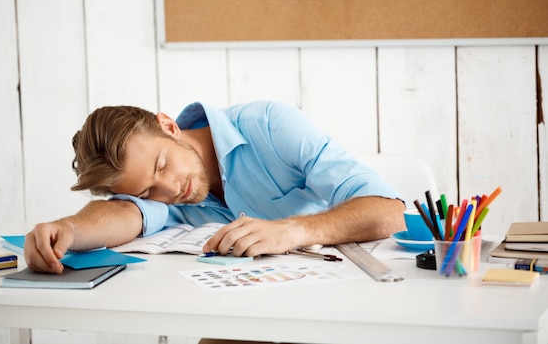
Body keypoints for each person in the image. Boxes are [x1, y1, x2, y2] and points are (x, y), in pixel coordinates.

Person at [24, 100, 405, 273]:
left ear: (168, 126)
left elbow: (389, 210)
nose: (170, 190)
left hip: (338, 294)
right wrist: (68, 231)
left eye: (162, 164)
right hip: (248, 306)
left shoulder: (271, 126)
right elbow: (124, 214)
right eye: (147, 191)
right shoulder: (160, 192)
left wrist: (290, 231)